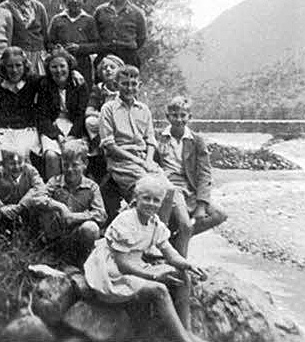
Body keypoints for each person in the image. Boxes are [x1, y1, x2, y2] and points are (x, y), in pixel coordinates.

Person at [83, 175, 206, 342]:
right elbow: (122, 264)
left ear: (161, 203)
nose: (151, 204)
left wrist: (188, 265)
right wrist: (154, 276)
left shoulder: (154, 223)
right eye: (146, 198)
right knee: (159, 290)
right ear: (136, 198)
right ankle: (182, 339)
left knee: (184, 276)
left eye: (156, 200)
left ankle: (187, 329)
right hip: (111, 270)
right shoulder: (126, 221)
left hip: (134, 264)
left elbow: (170, 253)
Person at [157, 96, 228, 257]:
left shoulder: (196, 141)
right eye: (174, 115)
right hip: (170, 188)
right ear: (167, 117)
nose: (179, 119)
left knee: (220, 214)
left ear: (190, 117)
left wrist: (202, 204)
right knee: (186, 225)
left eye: (183, 115)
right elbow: (153, 165)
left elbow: (204, 173)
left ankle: (176, 240)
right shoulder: (159, 138)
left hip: (190, 188)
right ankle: (181, 264)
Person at [26, 140, 106, 265]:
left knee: (91, 228)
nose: (69, 169)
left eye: (75, 165)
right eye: (65, 165)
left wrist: (75, 217)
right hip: (56, 234)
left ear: (85, 164)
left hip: (77, 235)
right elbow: (36, 198)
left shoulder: (92, 187)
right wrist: (60, 206)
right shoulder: (54, 182)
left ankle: (82, 259)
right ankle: (51, 254)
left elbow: (101, 215)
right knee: (44, 209)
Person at [99, 65, 163, 219]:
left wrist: (148, 160)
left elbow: (151, 140)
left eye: (133, 84)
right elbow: (110, 145)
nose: (129, 88)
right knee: (149, 190)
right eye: (125, 84)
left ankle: (161, 231)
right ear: (116, 85)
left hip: (144, 161)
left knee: (169, 190)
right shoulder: (108, 109)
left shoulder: (144, 109)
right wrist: (139, 162)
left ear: (139, 85)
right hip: (122, 164)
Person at [37, 47, 89, 179]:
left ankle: (76, 188)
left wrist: (71, 136)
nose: (59, 70)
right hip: (53, 126)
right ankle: (54, 189)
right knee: (51, 155)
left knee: (74, 155)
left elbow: (81, 114)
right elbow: (43, 116)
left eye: (62, 66)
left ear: (69, 67)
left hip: (74, 126)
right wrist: (57, 136)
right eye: (54, 67)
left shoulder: (79, 83)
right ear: (48, 69)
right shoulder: (44, 84)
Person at [0, 47, 42, 163]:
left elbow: (53, 82)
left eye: (18, 65)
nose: (14, 70)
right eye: (10, 66)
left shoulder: (33, 81)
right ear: (4, 67)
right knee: (0, 158)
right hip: (4, 131)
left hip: (26, 130)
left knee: (21, 157)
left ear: (25, 65)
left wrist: (73, 73)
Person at [1, 0, 49, 75]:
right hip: (16, 60)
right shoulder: (4, 8)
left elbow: (46, 37)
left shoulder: (39, 7)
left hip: (38, 57)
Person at [47, 0, 99, 84]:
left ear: (84, 1)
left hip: (82, 64)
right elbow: (49, 42)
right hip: (61, 66)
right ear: (65, 0)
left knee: (82, 89)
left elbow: (96, 45)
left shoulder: (89, 20)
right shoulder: (57, 19)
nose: (75, 0)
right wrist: (58, 49)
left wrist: (80, 48)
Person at [93, 0, 146, 69]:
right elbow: (95, 35)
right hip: (105, 57)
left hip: (128, 59)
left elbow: (141, 39)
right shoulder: (100, 11)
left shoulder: (137, 13)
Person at [84, 53, 124, 179]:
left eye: (112, 67)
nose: (108, 70)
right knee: (90, 121)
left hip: (120, 121)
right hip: (103, 121)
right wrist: (103, 115)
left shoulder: (124, 88)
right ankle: (101, 147)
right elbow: (88, 111)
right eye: (104, 68)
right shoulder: (99, 88)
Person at [0, 147, 43, 224]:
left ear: (25, 161)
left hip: (27, 209)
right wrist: (0, 207)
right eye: (12, 164)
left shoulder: (30, 171)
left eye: (20, 162)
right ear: (4, 165)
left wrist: (22, 205)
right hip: (7, 211)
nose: (16, 167)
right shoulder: (0, 173)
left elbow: (40, 187)